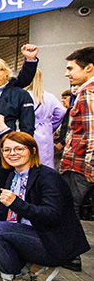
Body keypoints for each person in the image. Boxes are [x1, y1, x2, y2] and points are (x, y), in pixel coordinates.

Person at [0, 132, 89, 281]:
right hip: (24, 232)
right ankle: (33, 266)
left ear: (32, 150)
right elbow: (5, 212)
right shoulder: (13, 175)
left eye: (18, 149)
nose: (12, 153)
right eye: (7, 150)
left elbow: (51, 215)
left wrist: (15, 204)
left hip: (51, 240)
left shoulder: (47, 177)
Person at [60, 46, 94, 217]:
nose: (67, 74)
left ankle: (69, 244)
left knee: (68, 210)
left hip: (80, 166)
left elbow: (92, 133)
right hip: (78, 164)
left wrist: (90, 166)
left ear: (89, 68)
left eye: (71, 68)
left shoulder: (89, 93)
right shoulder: (84, 91)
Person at [24, 70, 66, 169]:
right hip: (46, 133)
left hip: (26, 131)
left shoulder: (23, 96)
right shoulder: (49, 97)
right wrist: (50, 126)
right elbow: (62, 112)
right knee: (46, 163)